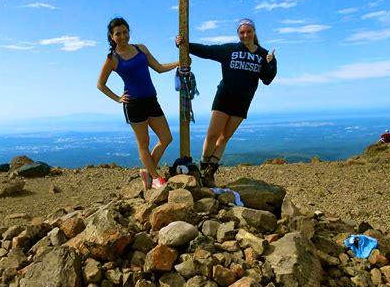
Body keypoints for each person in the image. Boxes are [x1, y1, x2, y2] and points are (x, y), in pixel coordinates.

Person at [176, 18, 277, 187]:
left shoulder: (263, 55)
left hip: (243, 101)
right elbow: (207, 51)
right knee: (212, 135)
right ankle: (202, 168)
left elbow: (267, 79)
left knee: (225, 137)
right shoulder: (230, 50)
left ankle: (210, 173)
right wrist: (184, 44)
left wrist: (270, 63)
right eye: (242, 32)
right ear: (239, 34)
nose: (245, 35)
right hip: (224, 96)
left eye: (248, 31)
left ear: (254, 32)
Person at [98, 17, 179, 190]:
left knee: (166, 138)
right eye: (117, 34)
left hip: (151, 100)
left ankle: (148, 172)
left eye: (125, 32)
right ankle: (156, 177)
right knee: (144, 142)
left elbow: (158, 68)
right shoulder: (112, 58)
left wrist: (180, 63)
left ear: (129, 32)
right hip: (133, 104)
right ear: (112, 37)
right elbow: (101, 84)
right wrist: (118, 98)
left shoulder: (140, 48)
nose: (122, 36)